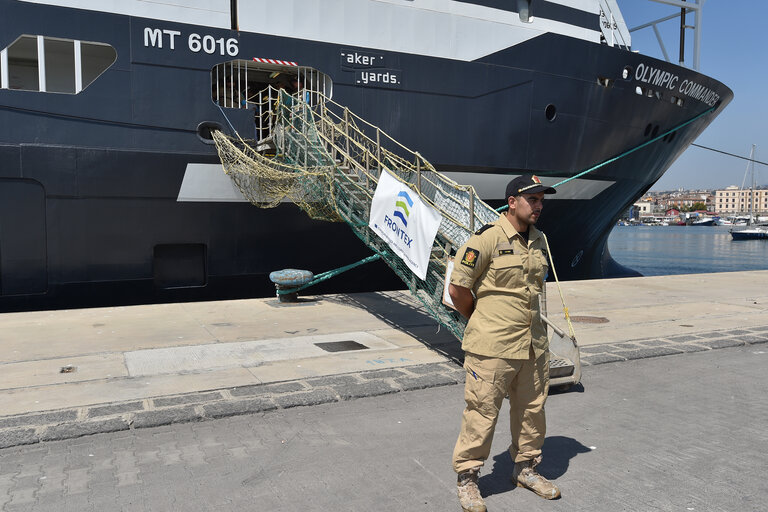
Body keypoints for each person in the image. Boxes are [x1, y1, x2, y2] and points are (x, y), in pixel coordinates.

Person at [449, 174, 558, 512]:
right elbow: (457, 290)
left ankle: (525, 469)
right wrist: (483, 322)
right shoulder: (486, 240)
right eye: (533, 200)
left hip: (532, 344)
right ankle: (468, 479)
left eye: (542, 200)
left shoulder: (539, 240)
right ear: (513, 202)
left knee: (532, 410)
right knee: (481, 413)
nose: (539, 206)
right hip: (492, 347)